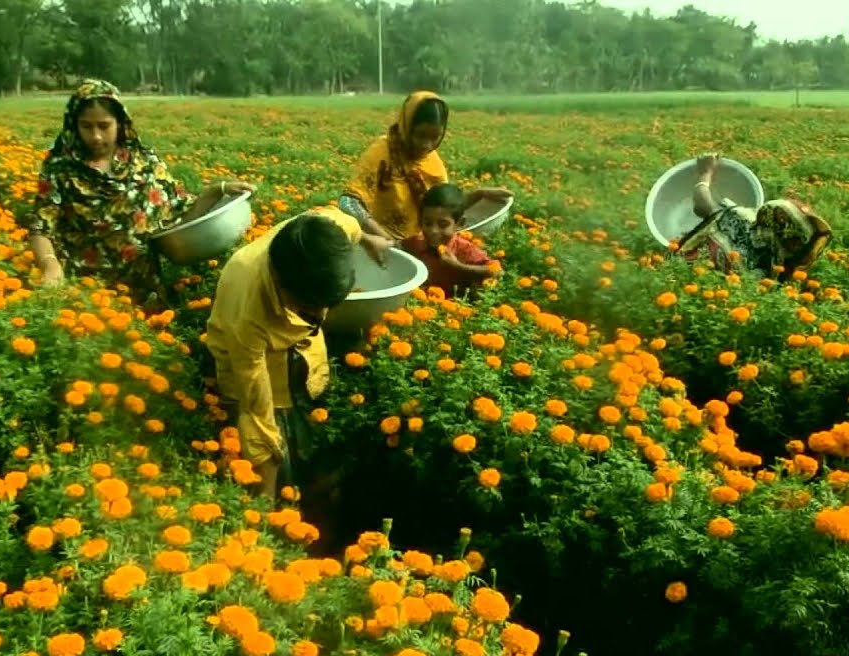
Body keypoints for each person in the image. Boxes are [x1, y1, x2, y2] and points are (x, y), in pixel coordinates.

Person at [205, 205, 388, 500]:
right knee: (273, 453)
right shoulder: (248, 309)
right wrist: (265, 493)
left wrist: (370, 240)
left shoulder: (332, 229)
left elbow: (351, 227)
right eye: (306, 308)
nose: (317, 317)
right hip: (252, 368)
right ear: (280, 283)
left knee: (312, 433)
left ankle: (316, 488)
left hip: (299, 352)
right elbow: (256, 411)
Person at [26, 78, 255, 307]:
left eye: (104, 126)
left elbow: (179, 214)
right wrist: (49, 264)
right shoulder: (60, 168)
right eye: (86, 126)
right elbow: (41, 226)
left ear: (120, 123)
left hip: (142, 290)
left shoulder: (144, 163)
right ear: (74, 124)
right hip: (84, 294)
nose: (96, 136)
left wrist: (217, 191)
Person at [339, 91, 510, 242]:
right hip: (378, 243)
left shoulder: (433, 162)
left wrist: (479, 194)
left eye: (435, 137)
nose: (427, 145)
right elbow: (348, 203)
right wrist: (387, 240)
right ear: (407, 127)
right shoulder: (382, 153)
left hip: (420, 243)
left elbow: (444, 208)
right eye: (420, 136)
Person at [677, 153, 832, 280]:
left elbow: (703, 204)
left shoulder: (740, 226)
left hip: (685, 276)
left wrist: (706, 173)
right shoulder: (779, 273)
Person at [401, 182, 500, 295]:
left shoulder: (465, 250)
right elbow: (397, 249)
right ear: (420, 220)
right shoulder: (414, 244)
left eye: (443, 225)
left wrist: (458, 266)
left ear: (460, 224)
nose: (433, 231)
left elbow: (498, 272)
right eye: (428, 223)